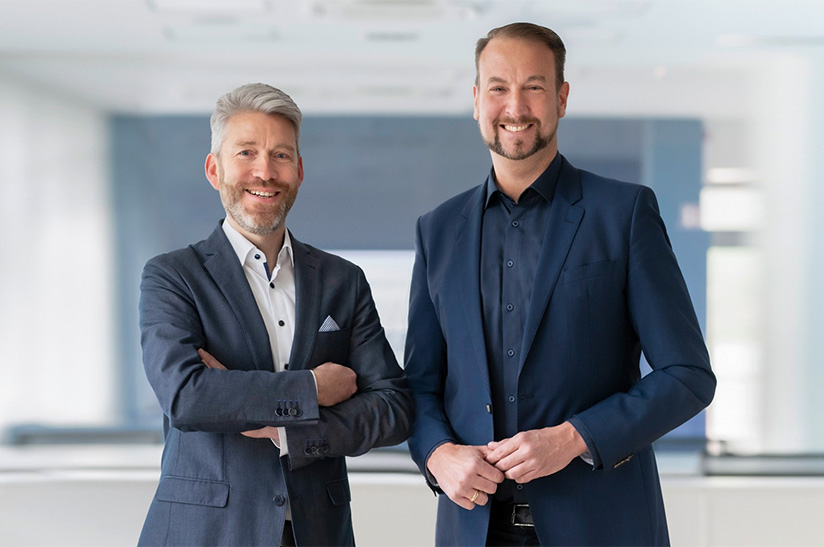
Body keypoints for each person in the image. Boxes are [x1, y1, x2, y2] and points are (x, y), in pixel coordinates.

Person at [404, 22, 716, 546]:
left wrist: (575, 439)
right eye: (499, 88)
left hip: (601, 526)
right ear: (477, 100)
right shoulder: (438, 230)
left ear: (561, 98)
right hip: (475, 528)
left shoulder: (624, 213)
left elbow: (687, 375)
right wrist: (437, 453)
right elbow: (419, 384)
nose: (516, 107)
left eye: (535, 87)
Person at [137, 83, 413, 547]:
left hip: (316, 533)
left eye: (281, 155)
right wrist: (312, 389)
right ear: (214, 169)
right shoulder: (172, 276)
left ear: (299, 171)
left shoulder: (342, 281)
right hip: (206, 533)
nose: (265, 172)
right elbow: (187, 397)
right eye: (246, 152)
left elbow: (392, 408)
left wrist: (284, 432)